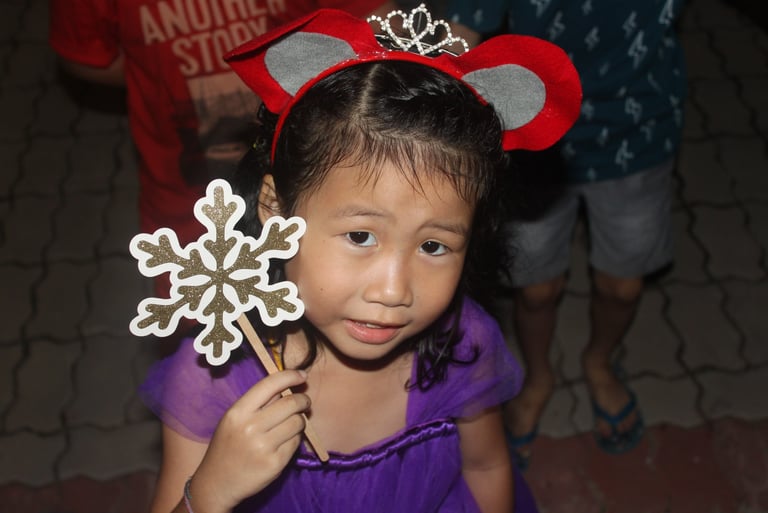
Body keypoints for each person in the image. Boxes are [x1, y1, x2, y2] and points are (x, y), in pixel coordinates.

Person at [138, 7, 581, 512]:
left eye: (433, 246)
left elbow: (486, 466)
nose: (393, 290)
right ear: (275, 209)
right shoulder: (215, 372)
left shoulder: (461, 344)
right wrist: (210, 491)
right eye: (360, 236)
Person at [445, 0, 687, 467]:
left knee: (623, 285)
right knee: (535, 289)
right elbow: (461, 31)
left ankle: (599, 360)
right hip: (534, 130)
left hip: (640, 128)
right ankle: (539, 375)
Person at [48, 0, 395, 299]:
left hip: (307, 196)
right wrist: (148, 73)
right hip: (182, 200)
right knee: (196, 325)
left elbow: (377, 17)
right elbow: (86, 56)